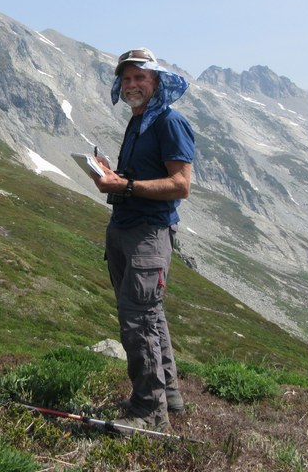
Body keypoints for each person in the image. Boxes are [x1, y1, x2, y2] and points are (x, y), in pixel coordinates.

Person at [92, 47, 195, 433]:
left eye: (140, 77)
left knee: (139, 321)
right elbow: (138, 179)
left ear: (156, 82)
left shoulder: (169, 122)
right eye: (127, 79)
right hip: (127, 229)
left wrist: (128, 184)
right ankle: (167, 395)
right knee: (148, 315)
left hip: (149, 234)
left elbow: (181, 185)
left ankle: (149, 413)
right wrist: (113, 175)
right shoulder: (139, 122)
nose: (132, 84)